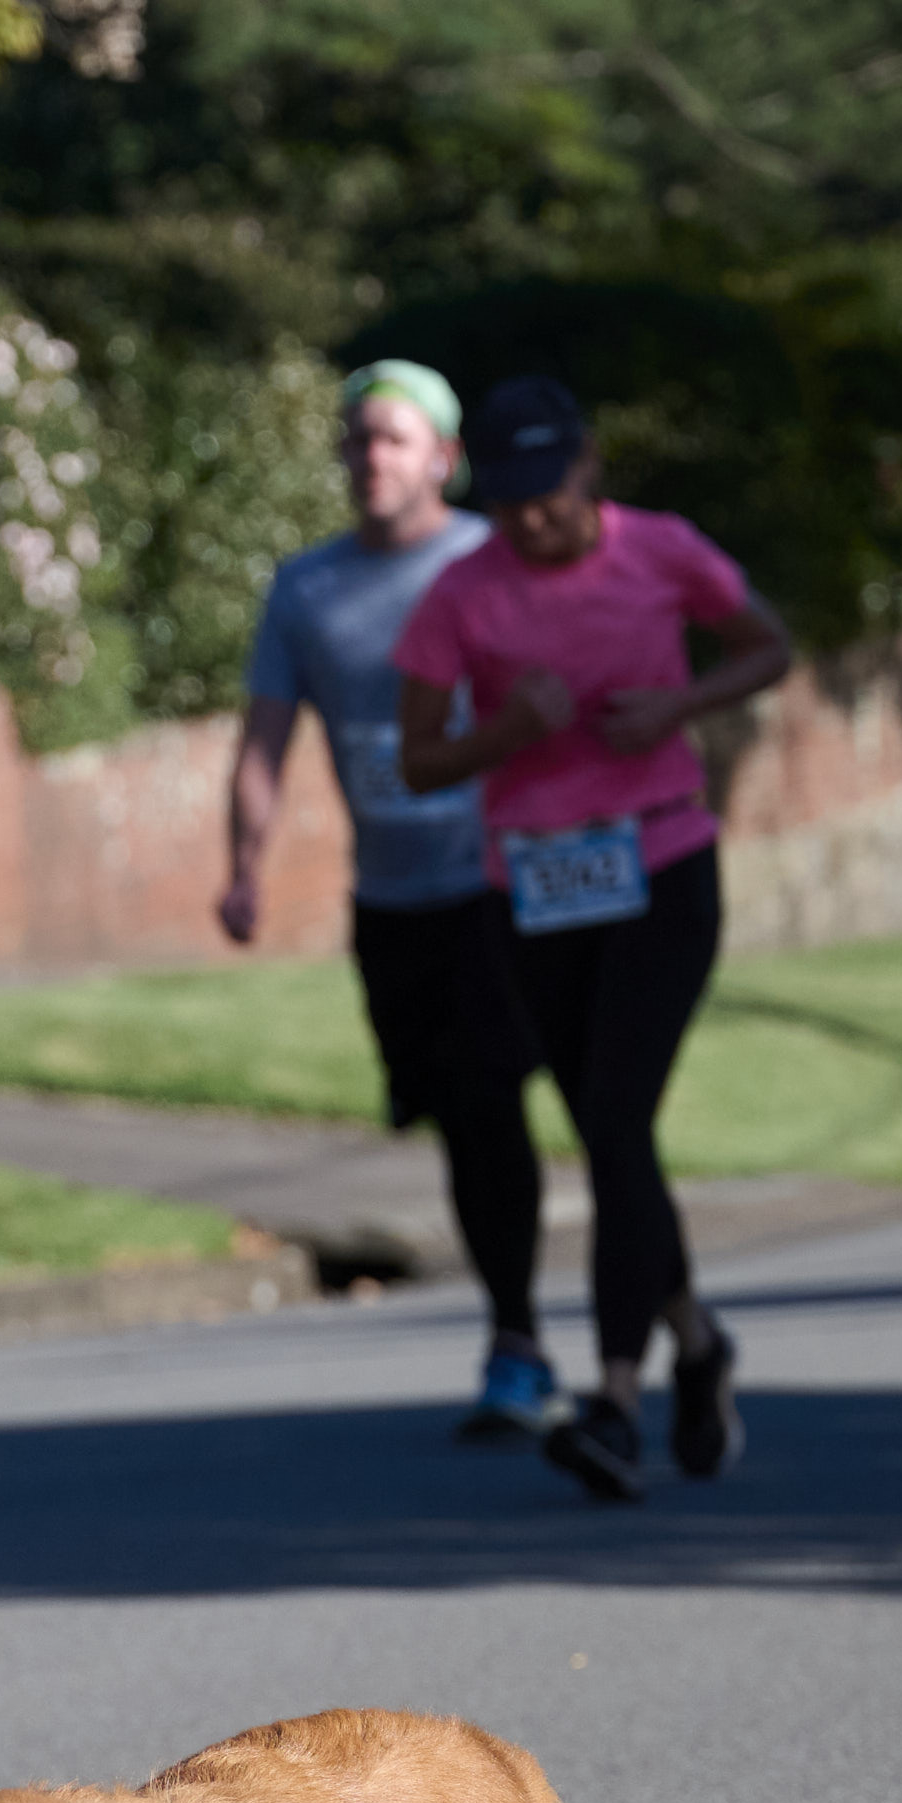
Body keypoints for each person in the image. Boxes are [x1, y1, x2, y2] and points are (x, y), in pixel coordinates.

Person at [392, 375, 800, 1499]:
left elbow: (766, 647)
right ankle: (697, 1336)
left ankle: (616, 1399)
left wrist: (678, 707)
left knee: (616, 1114)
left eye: (549, 493)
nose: (532, 519)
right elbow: (415, 758)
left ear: (590, 468)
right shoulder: (458, 595)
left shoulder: (661, 550)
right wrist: (508, 731)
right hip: (529, 886)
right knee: (609, 1137)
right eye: (509, 498)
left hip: (659, 862)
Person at [225, 361, 548, 1434]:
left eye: (394, 439)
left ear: (442, 459)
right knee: (442, 1104)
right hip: (391, 897)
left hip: (497, 883)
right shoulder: (306, 589)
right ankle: (518, 1325)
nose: (372, 457)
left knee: (488, 1106)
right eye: (358, 439)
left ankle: (513, 1335)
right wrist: (243, 863)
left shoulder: (488, 560)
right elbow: (264, 738)